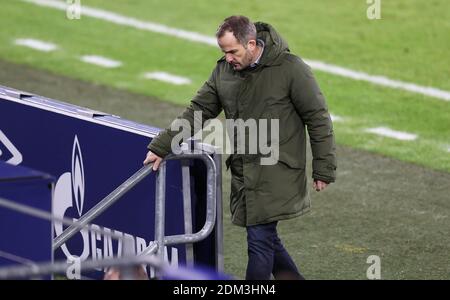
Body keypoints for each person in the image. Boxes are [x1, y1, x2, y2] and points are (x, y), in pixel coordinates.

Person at [144, 16, 336, 280]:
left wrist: (323, 168)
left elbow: (317, 117)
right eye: (224, 52)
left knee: (259, 241)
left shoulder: (291, 69)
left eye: (233, 51)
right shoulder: (224, 71)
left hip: (278, 171)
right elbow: (199, 111)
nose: (229, 58)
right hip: (245, 172)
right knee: (266, 239)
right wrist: (164, 144)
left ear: (252, 44)